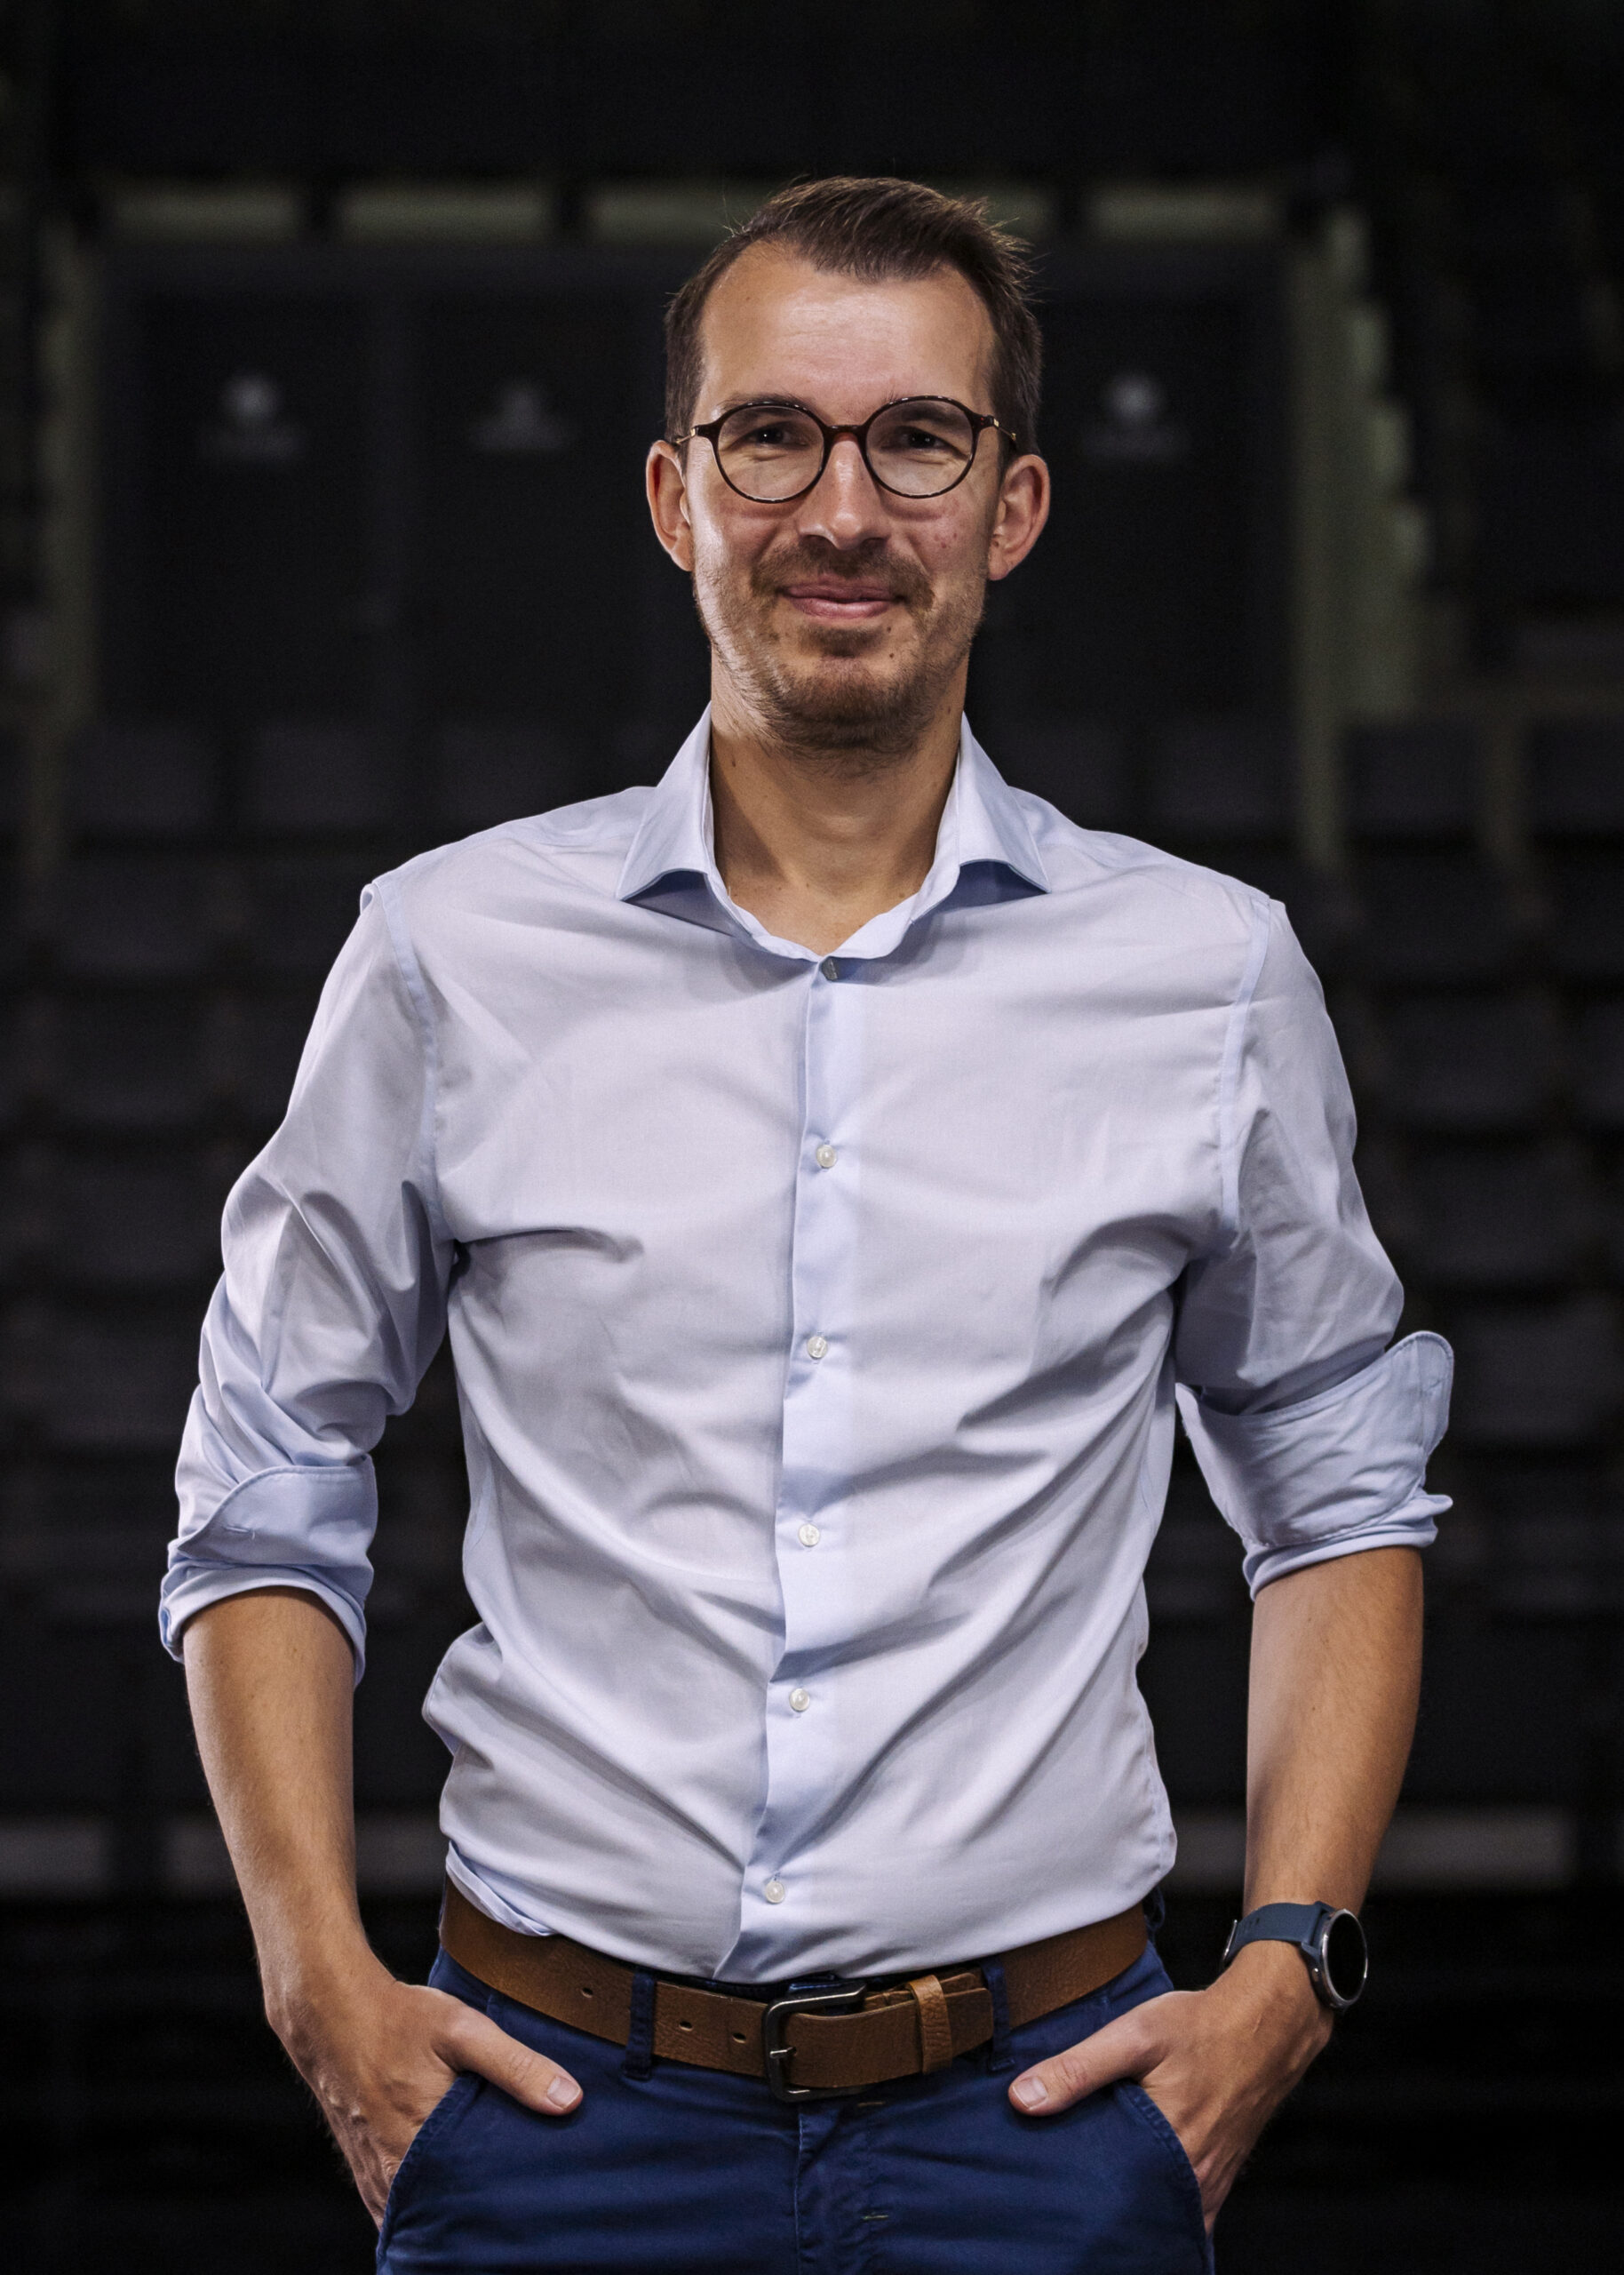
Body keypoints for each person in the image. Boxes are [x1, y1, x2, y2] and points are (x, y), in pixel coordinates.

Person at [163, 178, 1451, 2273]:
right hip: (548, 2115)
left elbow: (1334, 1492)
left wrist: (1287, 1963)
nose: (839, 508)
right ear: (675, 494)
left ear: (1011, 505)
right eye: (772, 436)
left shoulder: (1209, 976)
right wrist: (315, 1976)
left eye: (914, 441)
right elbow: (268, 1469)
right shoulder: (442, 953)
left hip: (1044, 2127)